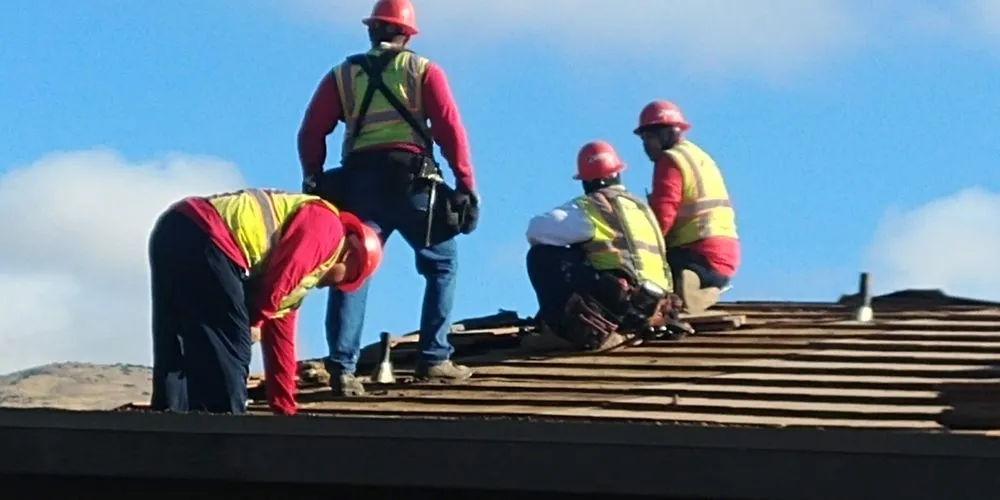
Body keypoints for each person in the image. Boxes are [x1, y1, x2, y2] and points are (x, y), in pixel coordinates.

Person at [296, 0, 480, 396]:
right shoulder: (424, 70)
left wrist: (312, 179)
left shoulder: (342, 75)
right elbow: (450, 128)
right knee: (441, 265)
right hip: (413, 183)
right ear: (407, 34)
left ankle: (343, 370)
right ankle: (434, 359)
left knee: (352, 270)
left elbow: (312, 130)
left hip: (360, 184)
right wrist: (466, 185)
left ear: (371, 30)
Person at [148, 188, 383, 416]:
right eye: (348, 278)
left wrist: (284, 408)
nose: (337, 287)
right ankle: (224, 435)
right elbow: (285, 272)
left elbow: (281, 346)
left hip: (175, 227)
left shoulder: (296, 286)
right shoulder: (328, 227)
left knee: (176, 336)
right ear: (350, 255)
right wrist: (256, 322)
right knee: (231, 349)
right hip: (208, 235)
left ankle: (168, 424)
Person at [524, 141, 682, 351]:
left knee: (542, 256)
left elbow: (536, 230)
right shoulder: (640, 207)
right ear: (618, 172)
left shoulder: (595, 207)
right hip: (657, 307)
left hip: (622, 306)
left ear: (585, 180)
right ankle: (627, 327)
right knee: (586, 252)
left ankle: (568, 332)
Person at [634, 100, 740, 314]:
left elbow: (663, 215)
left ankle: (690, 292)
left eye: (647, 139)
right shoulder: (699, 156)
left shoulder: (670, 161)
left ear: (662, 134)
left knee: (642, 284)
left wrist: (641, 250)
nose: (645, 147)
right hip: (723, 257)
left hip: (697, 254)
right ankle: (700, 289)